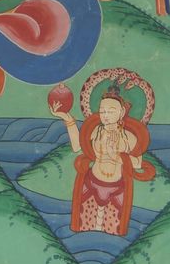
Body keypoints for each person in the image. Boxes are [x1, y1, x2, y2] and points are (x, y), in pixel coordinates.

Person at [51, 81, 155, 237]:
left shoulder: (130, 137)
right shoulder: (95, 131)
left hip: (117, 188)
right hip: (90, 184)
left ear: (122, 112)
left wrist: (118, 157)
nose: (105, 115)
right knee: (85, 230)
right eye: (102, 111)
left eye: (111, 111)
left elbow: (137, 163)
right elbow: (77, 146)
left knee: (112, 232)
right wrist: (67, 118)